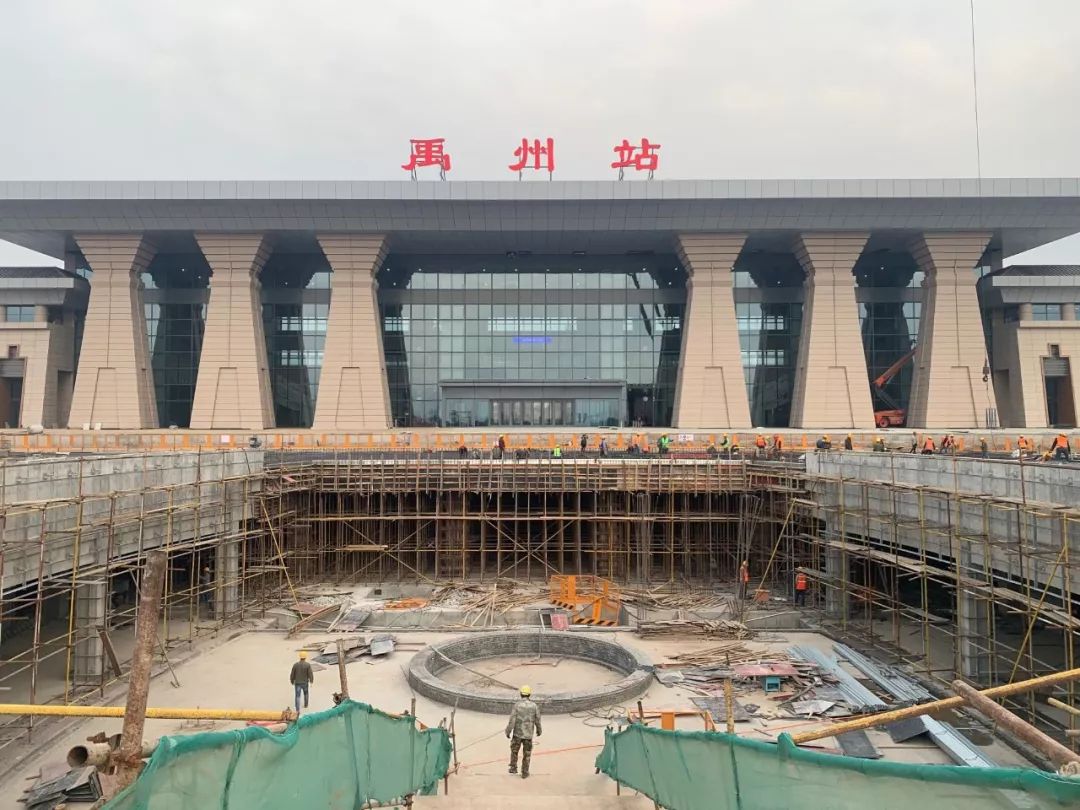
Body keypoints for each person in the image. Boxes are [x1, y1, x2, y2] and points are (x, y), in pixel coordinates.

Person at [506, 685, 542, 779]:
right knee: (527, 754)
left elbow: (512, 720)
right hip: (528, 735)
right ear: (529, 694)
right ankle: (525, 772)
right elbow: (537, 720)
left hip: (517, 734)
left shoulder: (517, 705)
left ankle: (513, 767)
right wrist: (539, 730)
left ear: (521, 694)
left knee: (514, 751)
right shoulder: (534, 706)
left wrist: (508, 731)